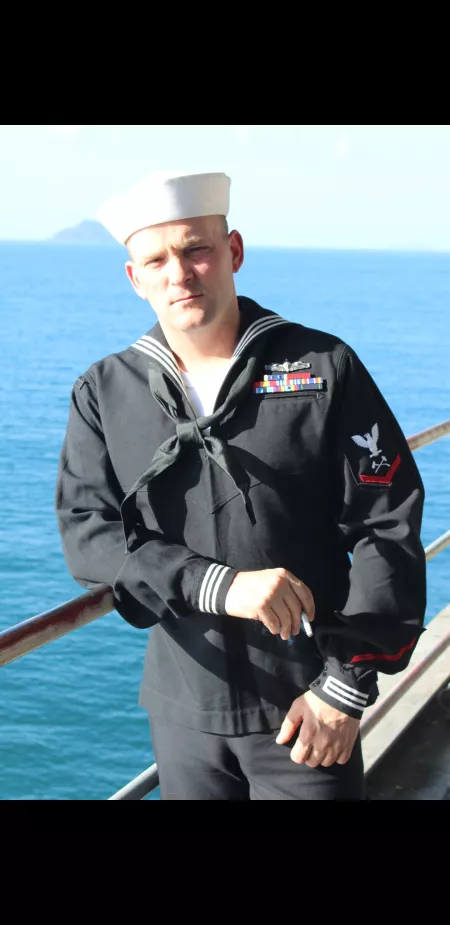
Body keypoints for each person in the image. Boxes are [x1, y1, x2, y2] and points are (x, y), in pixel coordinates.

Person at [55, 169, 426, 800]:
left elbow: (386, 523)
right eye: (157, 260)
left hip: (308, 709)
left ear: (233, 251)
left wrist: (346, 686)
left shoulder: (322, 367)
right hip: (183, 712)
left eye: (196, 249)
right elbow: (87, 535)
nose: (179, 273)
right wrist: (215, 583)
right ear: (135, 279)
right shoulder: (105, 390)